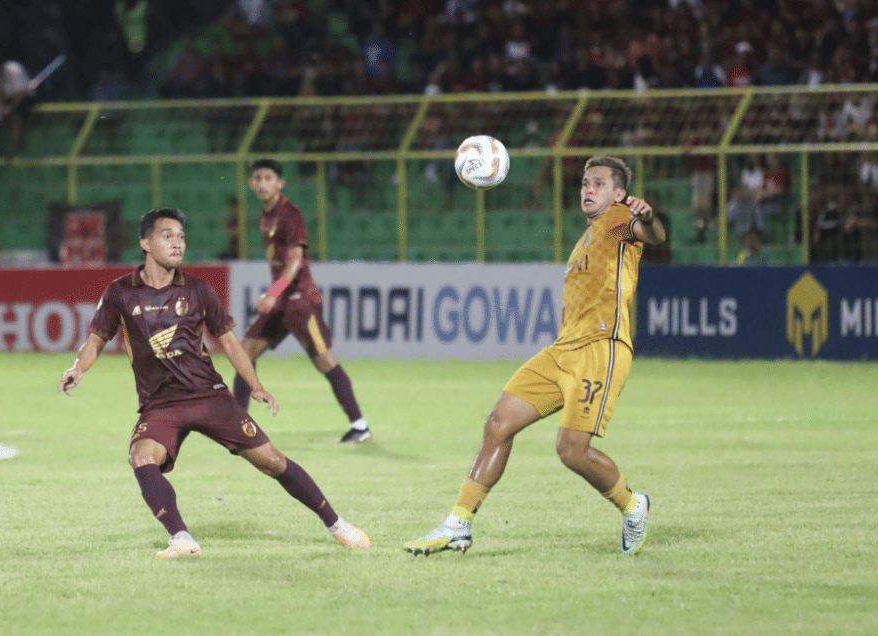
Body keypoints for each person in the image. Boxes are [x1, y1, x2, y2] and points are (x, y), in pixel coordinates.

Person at [58, 207, 370, 559]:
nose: (178, 243)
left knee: (271, 460)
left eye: (181, 236)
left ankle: (337, 524)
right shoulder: (120, 293)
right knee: (141, 456)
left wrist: (255, 386)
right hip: (160, 405)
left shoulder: (198, 290)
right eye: (167, 236)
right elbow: (96, 338)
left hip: (209, 397)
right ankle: (181, 538)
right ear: (145, 243)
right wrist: (78, 368)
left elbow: (231, 342)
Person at [403, 155, 665, 557]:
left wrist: (648, 216)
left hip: (600, 348)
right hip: (562, 350)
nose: (588, 189)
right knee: (498, 424)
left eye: (598, 183)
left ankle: (633, 506)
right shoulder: (588, 236)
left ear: (619, 193)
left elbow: (653, 235)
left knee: (571, 451)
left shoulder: (617, 220)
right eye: (583, 183)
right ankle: (459, 522)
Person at [233, 159, 372, 443]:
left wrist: (274, 292)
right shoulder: (265, 215)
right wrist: (275, 294)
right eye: (257, 178)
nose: (261, 183)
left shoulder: (289, 214)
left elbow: (295, 262)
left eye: (268, 178)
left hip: (300, 302)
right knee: (243, 353)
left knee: (325, 362)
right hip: (282, 301)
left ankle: (360, 427)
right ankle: (236, 426)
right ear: (251, 183)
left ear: (280, 183)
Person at [0, 57, 33, 157]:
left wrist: (9, 108)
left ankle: (14, 152)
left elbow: (20, 94)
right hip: (8, 98)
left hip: (26, 98)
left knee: (15, 117)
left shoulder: (13, 69)